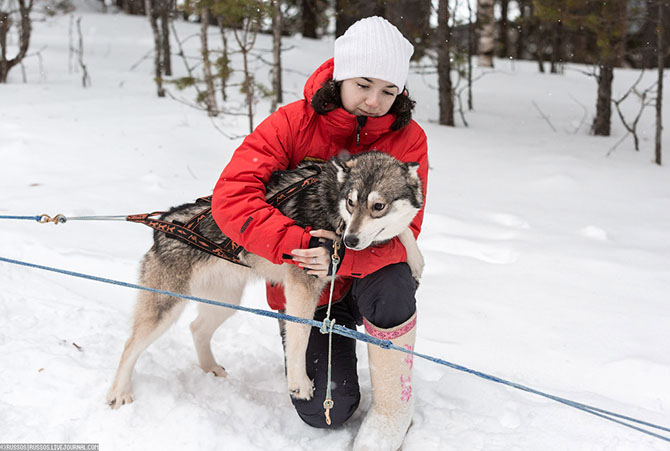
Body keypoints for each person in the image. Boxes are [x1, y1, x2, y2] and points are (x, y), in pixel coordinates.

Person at [211, 16, 428, 451]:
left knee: (396, 279)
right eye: (364, 84)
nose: (374, 101)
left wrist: (342, 259)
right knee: (327, 411)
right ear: (342, 75)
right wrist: (298, 244)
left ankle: (393, 407)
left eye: (389, 91)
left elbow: (409, 224)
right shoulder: (293, 123)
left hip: (365, 276)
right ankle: (320, 341)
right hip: (308, 288)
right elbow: (232, 196)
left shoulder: (408, 139)